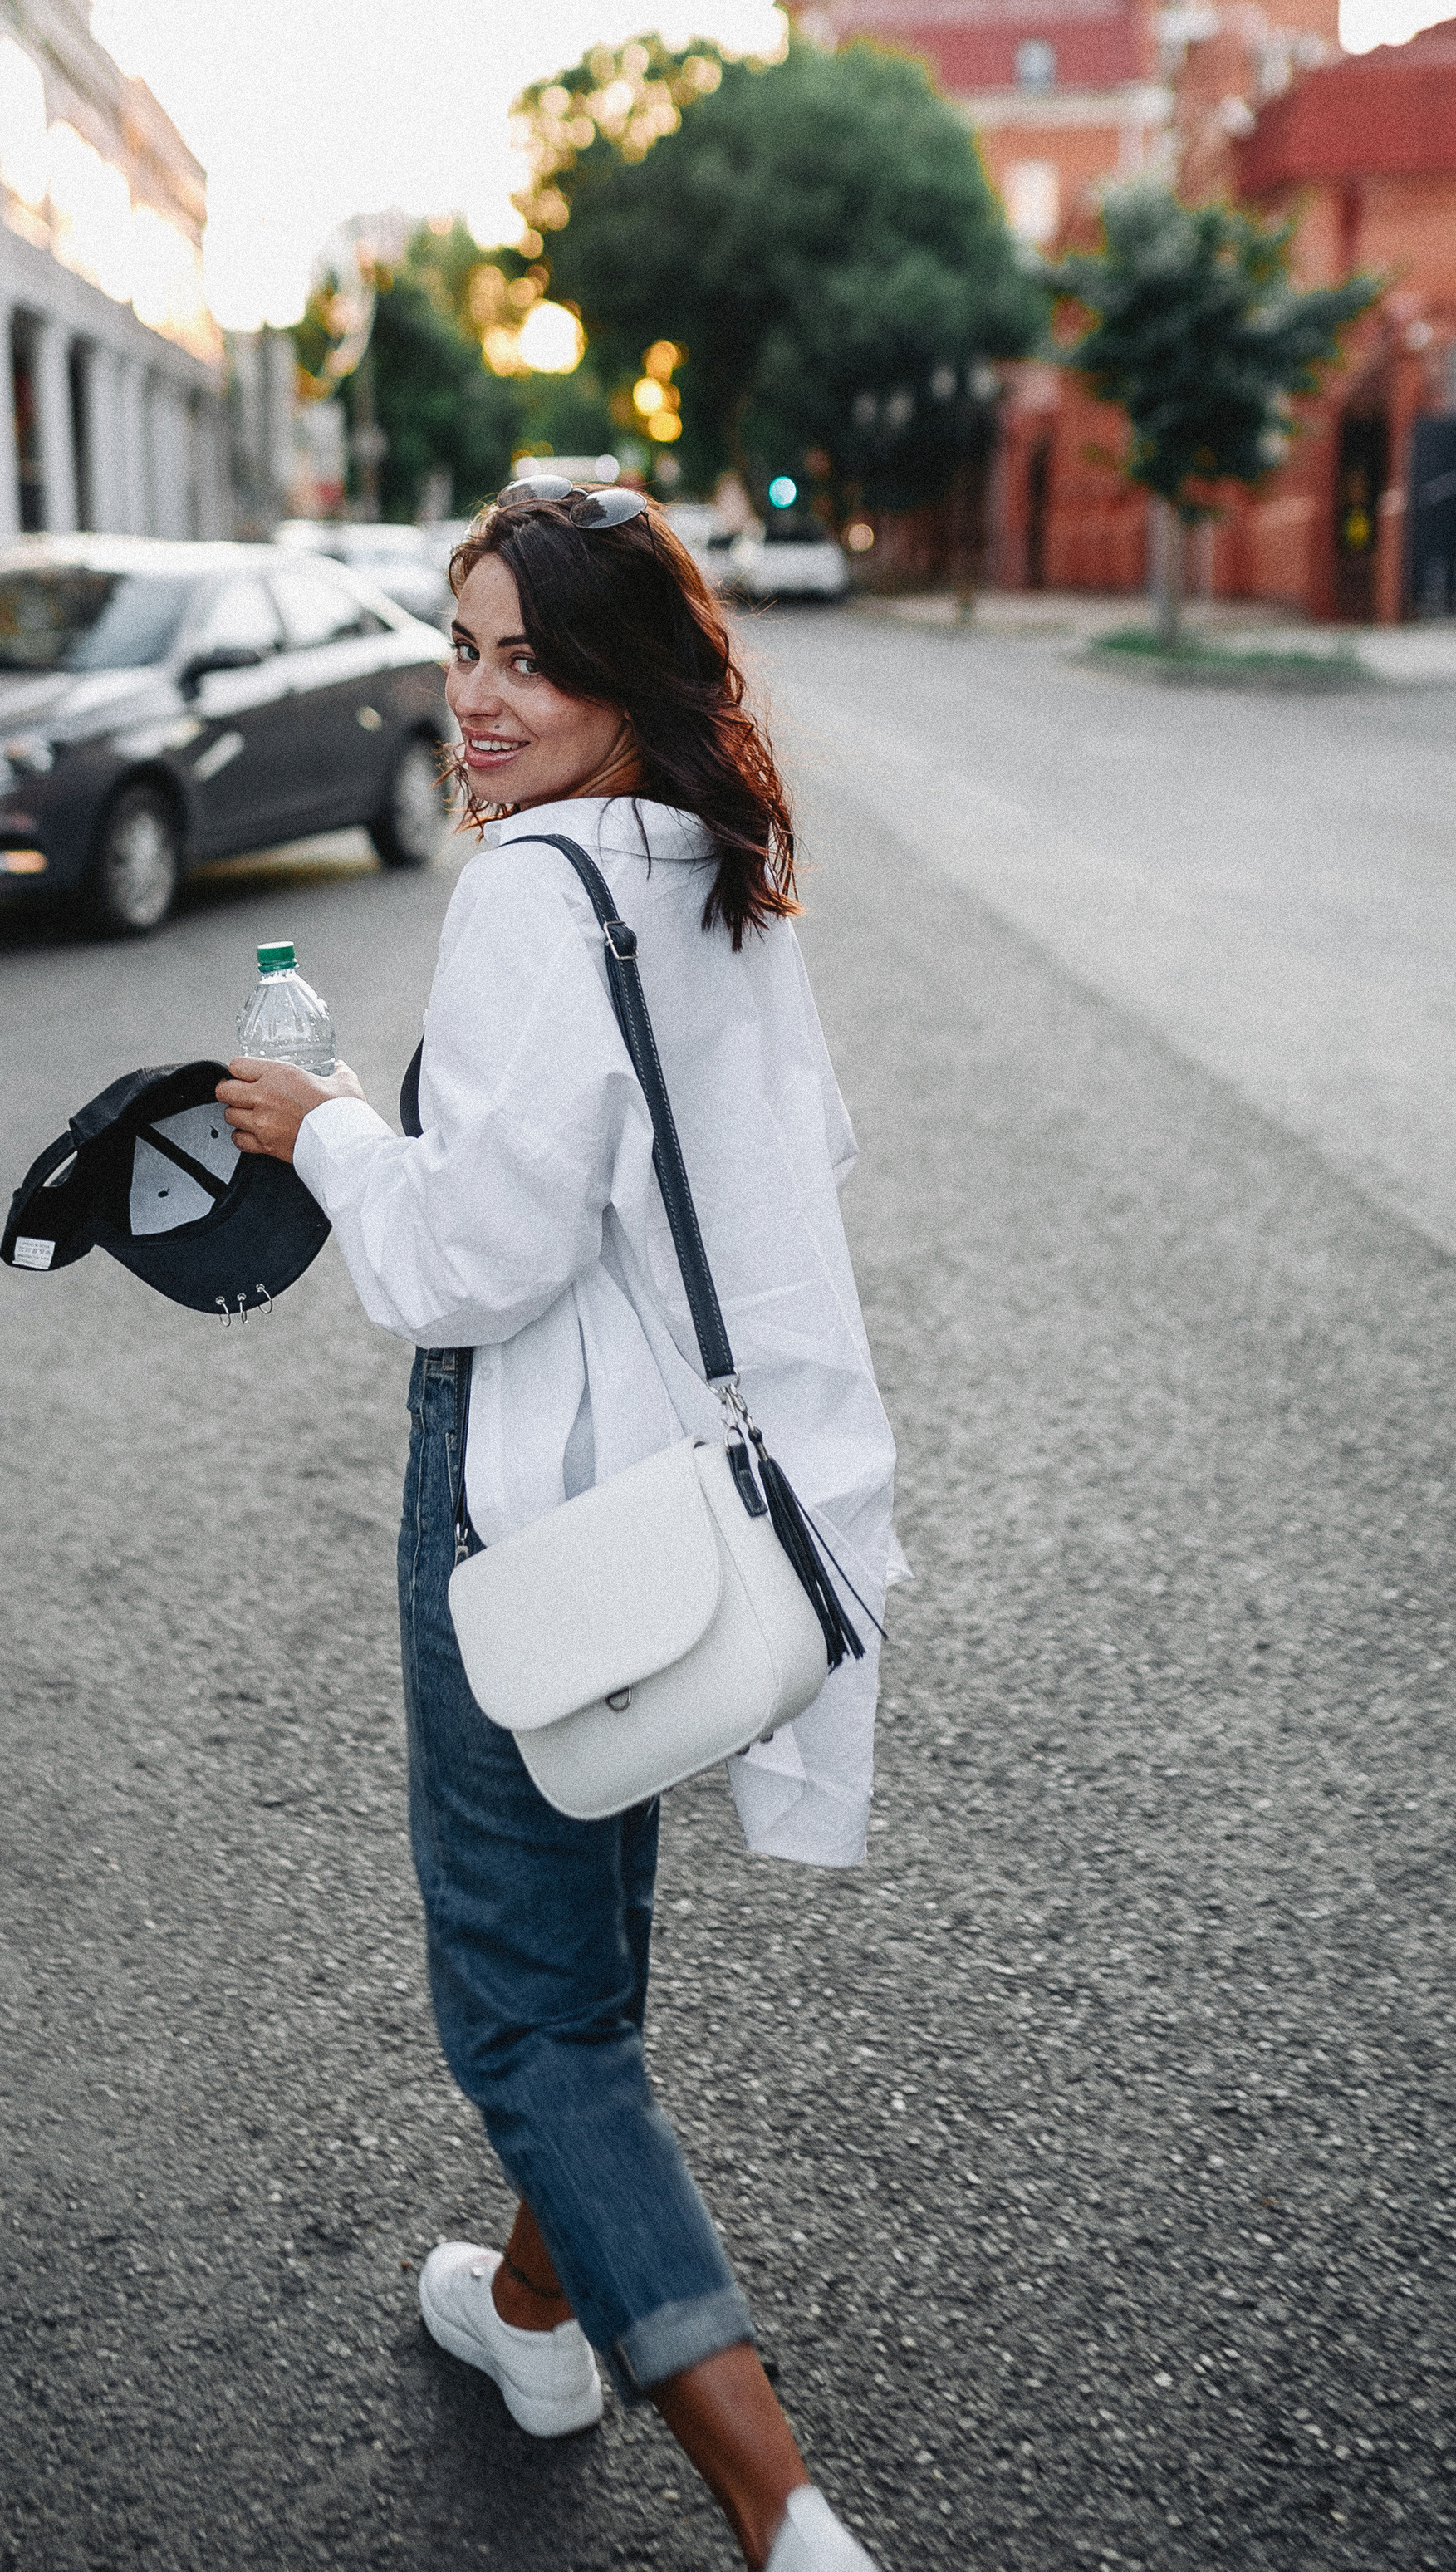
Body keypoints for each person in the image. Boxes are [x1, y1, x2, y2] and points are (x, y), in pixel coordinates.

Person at [218, 483, 902, 2572]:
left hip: (523, 1493)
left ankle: (783, 2516)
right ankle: (532, 2319)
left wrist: (330, 1131)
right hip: (680, 1493)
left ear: (624, 674)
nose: (481, 698)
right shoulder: (707, 862)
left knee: (526, 2014)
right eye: (463, 648)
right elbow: (787, 1156)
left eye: (530, 657)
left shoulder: (535, 886)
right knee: (581, 1949)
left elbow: (470, 1262)